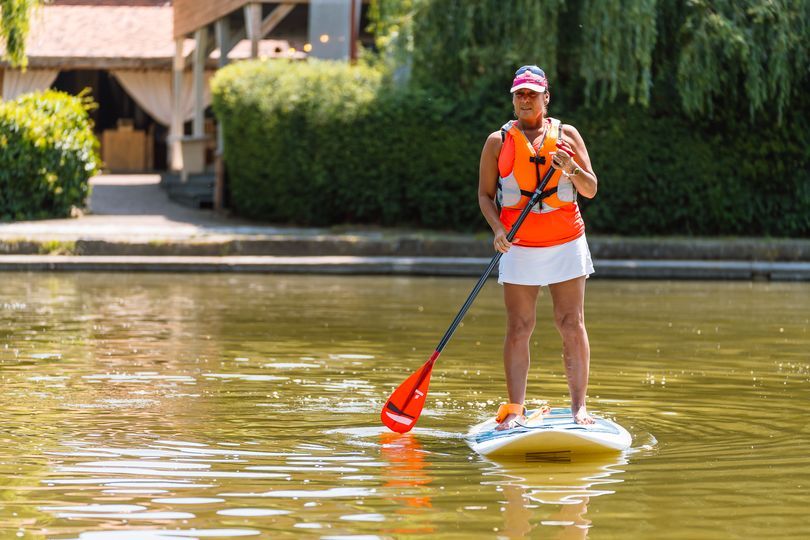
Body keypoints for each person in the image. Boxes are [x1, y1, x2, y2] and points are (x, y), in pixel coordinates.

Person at [478, 65, 599, 429]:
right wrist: (497, 228)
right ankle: (515, 410)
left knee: (571, 323)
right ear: (513, 100)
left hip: (566, 243)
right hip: (519, 246)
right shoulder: (497, 141)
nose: (525, 99)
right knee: (519, 326)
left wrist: (571, 169)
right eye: (519, 94)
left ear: (546, 97)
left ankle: (579, 409)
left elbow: (590, 188)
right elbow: (485, 196)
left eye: (533, 93)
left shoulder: (568, 135)